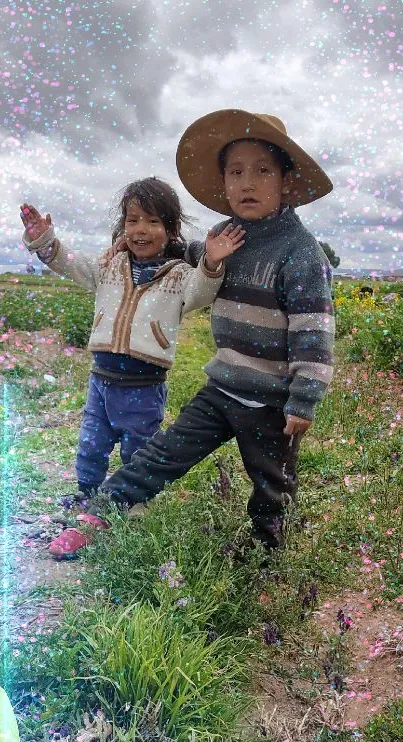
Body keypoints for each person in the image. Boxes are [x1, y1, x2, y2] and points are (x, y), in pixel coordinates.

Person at [47, 110, 335, 559]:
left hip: (272, 400)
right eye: (235, 171)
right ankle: (101, 510)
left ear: (285, 180)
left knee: (272, 485)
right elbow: (188, 251)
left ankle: (267, 560)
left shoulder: (301, 252)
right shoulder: (225, 234)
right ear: (223, 182)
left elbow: (313, 331)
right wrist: (142, 238)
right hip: (222, 388)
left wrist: (304, 399)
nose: (247, 183)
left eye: (262, 171)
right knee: (165, 452)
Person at [20, 177, 244, 552]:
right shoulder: (110, 265)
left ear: (170, 229)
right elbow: (71, 264)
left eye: (153, 221)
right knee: (91, 444)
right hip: (101, 380)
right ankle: (89, 496)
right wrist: (45, 241)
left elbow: (201, 293)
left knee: (138, 448)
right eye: (133, 219)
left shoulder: (178, 276)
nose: (141, 230)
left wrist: (211, 264)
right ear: (123, 225)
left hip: (144, 384)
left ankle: (135, 500)